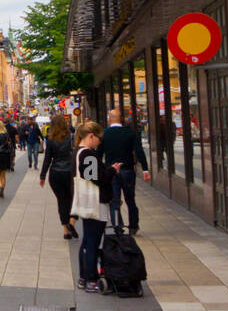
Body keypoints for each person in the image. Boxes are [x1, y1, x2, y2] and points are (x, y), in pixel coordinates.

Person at [73, 121, 116, 293]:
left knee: (87, 241)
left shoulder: (77, 152)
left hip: (85, 200)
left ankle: (84, 277)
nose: (100, 142)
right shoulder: (88, 154)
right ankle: (91, 279)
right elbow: (95, 178)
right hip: (94, 202)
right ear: (91, 136)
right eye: (98, 138)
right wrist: (112, 170)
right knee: (92, 242)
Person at [102, 109, 151, 233]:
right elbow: (139, 151)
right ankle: (133, 226)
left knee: (114, 201)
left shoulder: (105, 134)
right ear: (121, 119)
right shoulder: (129, 133)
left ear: (109, 119)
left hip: (111, 171)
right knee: (130, 199)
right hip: (127, 170)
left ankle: (118, 227)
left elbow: (98, 153)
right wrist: (145, 169)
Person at [39, 114, 77, 239]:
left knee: (61, 200)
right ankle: (71, 221)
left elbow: (47, 159)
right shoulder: (71, 138)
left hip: (55, 173)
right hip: (69, 173)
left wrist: (43, 176)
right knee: (72, 199)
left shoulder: (50, 140)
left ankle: (66, 230)